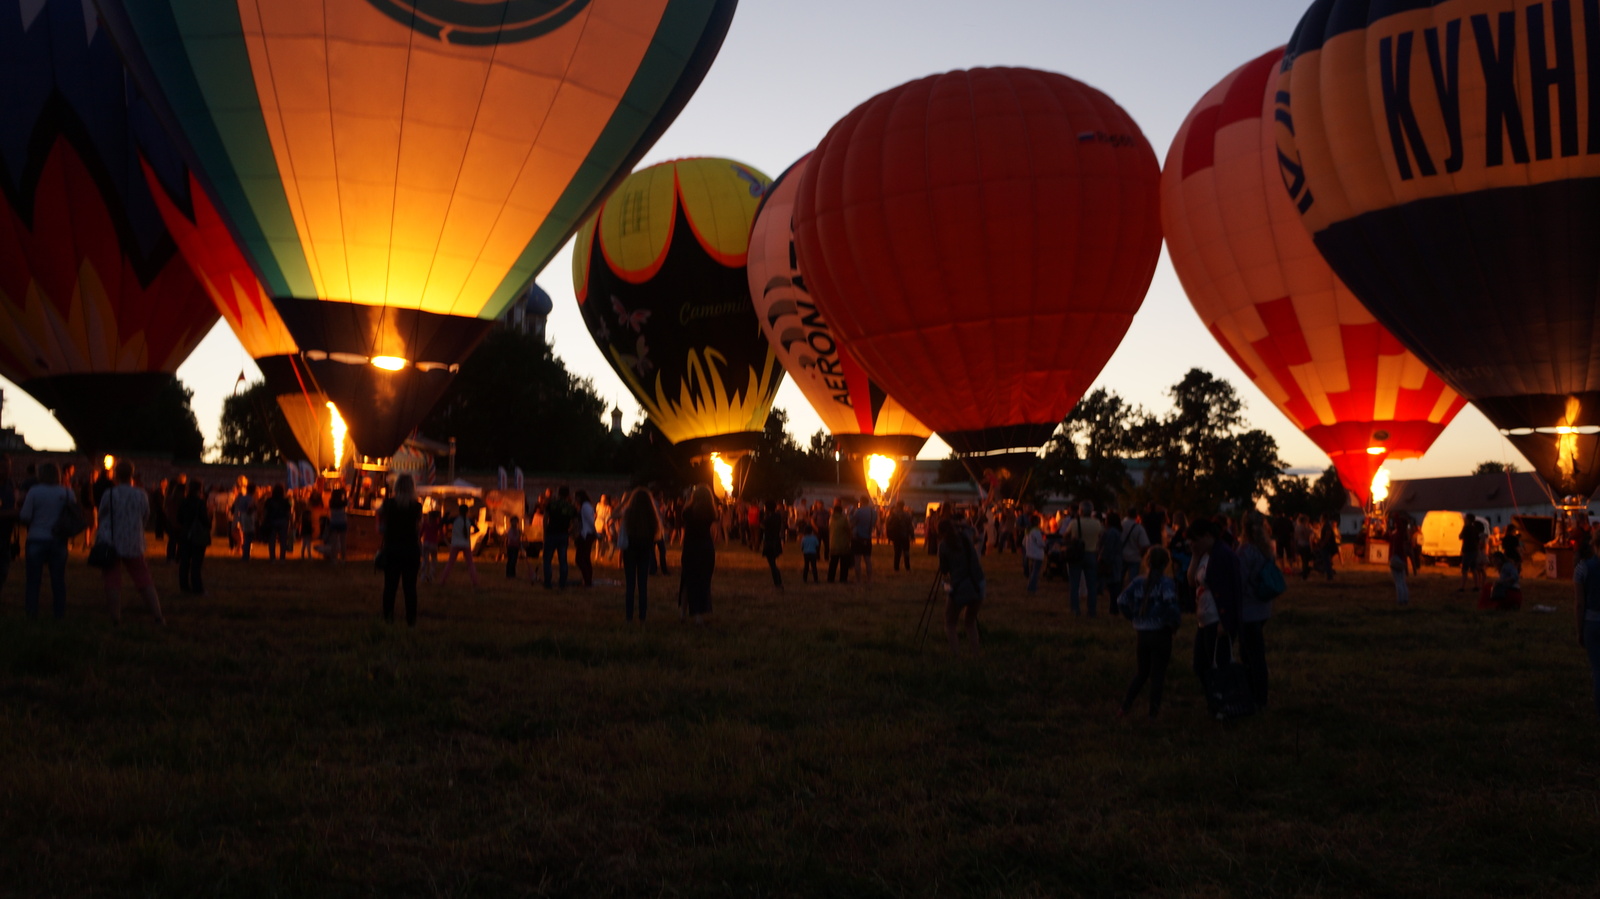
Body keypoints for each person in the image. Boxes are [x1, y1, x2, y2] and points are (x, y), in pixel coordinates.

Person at [96, 461, 164, 625]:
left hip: (111, 541)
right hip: (133, 541)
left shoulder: (110, 494)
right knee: (143, 579)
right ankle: (158, 616)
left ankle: (115, 617)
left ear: (116, 475)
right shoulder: (141, 495)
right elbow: (145, 515)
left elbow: (102, 515)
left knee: (112, 580)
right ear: (132, 475)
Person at [1117, 546, 1181, 718]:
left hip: (1142, 634)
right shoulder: (1166, 584)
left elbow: (1121, 600)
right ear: (1167, 563)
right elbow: (1170, 605)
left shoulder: (1138, 582)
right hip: (1161, 633)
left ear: (1147, 562)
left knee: (1142, 672)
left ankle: (1125, 706)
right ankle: (1153, 713)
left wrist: (1133, 617)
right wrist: (1173, 623)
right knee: (1158, 674)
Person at [1187, 519, 1239, 690]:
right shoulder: (1205, 554)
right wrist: (1195, 555)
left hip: (1216, 618)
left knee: (1217, 664)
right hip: (1204, 618)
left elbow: (1231, 589)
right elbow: (1192, 581)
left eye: (1196, 539)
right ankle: (1214, 697)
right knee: (1201, 664)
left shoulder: (1222, 555)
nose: (1192, 543)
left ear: (1208, 536)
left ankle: (1224, 699)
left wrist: (1226, 621)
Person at [18, 462, 73, 619]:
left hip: (36, 537)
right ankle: (59, 613)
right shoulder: (67, 493)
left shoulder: (35, 492)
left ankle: (31, 612)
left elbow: (25, 516)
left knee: (33, 580)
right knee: (58, 579)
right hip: (58, 539)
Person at [1236, 512, 1276, 709]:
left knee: (1251, 655)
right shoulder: (1267, 549)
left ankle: (1257, 696)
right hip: (1263, 608)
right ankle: (1257, 693)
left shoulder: (1245, 551)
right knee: (1255, 652)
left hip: (1248, 609)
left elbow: (1239, 582)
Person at [376, 475, 424, 625]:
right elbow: (418, 528)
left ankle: (388, 619)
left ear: (396, 487)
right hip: (411, 550)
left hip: (392, 550)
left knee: (390, 587)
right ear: (412, 488)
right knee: (410, 588)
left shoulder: (388, 504)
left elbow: (381, 529)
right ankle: (411, 621)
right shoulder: (417, 506)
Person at [937, 518, 984, 657]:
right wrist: (961, 524)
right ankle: (976, 653)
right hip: (978, 583)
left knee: (950, 622)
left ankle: (956, 655)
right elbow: (974, 532)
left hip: (960, 585)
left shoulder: (944, 545)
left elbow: (944, 570)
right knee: (970, 622)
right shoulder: (965, 536)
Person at [616, 488, 661, 621]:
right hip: (645, 551)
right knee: (643, 585)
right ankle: (642, 615)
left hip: (630, 550)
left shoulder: (628, 513)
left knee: (630, 585)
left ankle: (629, 615)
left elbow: (619, 523)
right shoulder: (651, 515)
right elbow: (655, 535)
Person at [679, 486, 717, 622]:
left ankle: (685, 612)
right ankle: (699, 613)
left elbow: (684, 514)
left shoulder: (689, 512)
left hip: (691, 548)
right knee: (703, 582)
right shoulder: (710, 512)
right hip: (706, 548)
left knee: (688, 581)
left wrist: (689, 498)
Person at [1062, 502, 1103, 617]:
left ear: (1080, 511)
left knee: (1074, 584)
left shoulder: (1074, 523)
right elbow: (1101, 536)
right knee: (1091, 585)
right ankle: (1091, 611)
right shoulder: (1097, 523)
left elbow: (1065, 535)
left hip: (1076, 554)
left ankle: (1075, 609)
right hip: (1091, 554)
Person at [1575, 534, 1600, 718]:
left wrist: (1579, 630)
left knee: (1598, 670)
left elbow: (1579, 604)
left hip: (1592, 622)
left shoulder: (1582, 568)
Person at [176, 480, 208, 595]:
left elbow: (179, 517)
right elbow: (205, 520)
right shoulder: (200, 503)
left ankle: (184, 586)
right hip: (197, 536)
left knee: (184, 562)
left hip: (185, 534)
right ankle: (197, 587)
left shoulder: (184, 502)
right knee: (196, 564)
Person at [438, 501, 480, 589]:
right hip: (466, 544)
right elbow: (477, 529)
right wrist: (470, 534)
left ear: (459, 511)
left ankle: (442, 581)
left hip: (455, 543)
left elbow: (442, 522)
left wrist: (446, 514)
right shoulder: (469, 520)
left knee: (450, 563)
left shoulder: (455, 519)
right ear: (467, 511)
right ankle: (475, 582)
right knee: (470, 564)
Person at [542, 486, 575, 589]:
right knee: (563, 560)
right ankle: (562, 583)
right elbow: (574, 523)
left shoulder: (552, 504)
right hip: (563, 535)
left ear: (558, 493)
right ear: (568, 495)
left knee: (547, 559)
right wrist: (569, 532)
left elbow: (545, 518)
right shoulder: (570, 506)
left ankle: (548, 583)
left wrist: (545, 531)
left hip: (551, 533)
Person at [1386, 513, 1413, 606]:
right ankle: (1405, 599)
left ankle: (1401, 600)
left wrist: (1395, 515)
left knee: (1398, 582)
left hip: (1396, 558)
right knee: (1402, 581)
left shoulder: (1400, 533)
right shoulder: (1401, 534)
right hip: (1401, 559)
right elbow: (1388, 536)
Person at [1099, 512, 1124, 609]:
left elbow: (1108, 547)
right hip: (1116, 559)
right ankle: (1114, 606)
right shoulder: (1117, 532)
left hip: (1111, 561)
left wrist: (1103, 558)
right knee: (1115, 584)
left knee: (1113, 585)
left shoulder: (1111, 533)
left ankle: (1114, 607)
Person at [1120, 511, 1151, 591]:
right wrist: (1141, 554)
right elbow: (1145, 544)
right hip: (1135, 557)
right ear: (1136, 516)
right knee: (1133, 582)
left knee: (1119, 579)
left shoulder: (1121, 525)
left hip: (1122, 556)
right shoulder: (1138, 528)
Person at [850, 496, 877, 585]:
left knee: (857, 560)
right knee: (868, 560)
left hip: (858, 538)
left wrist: (850, 514)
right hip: (868, 538)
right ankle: (870, 579)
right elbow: (874, 524)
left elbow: (852, 523)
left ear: (861, 502)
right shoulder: (873, 512)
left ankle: (858, 580)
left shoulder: (858, 511)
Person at [0, 455, 17, 595]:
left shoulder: (9, 484)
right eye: (4, 467)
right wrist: (13, 513)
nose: (7, 470)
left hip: (5, 536)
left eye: (9, 467)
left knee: (3, 570)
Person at [263, 484, 292, 561]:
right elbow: (289, 512)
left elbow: (265, 512)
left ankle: (272, 558)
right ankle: (282, 558)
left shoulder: (269, 501)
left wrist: (264, 520)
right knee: (283, 540)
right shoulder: (286, 501)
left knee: (272, 540)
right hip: (283, 521)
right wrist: (290, 521)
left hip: (272, 521)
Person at [574, 489, 596, 587]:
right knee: (585, 558)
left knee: (581, 558)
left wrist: (595, 532)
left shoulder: (585, 507)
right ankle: (587, 579)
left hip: (586, 534)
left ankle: (587, 579)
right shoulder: (586, 506)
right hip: (587, 534)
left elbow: (591, 521)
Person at [761, 499, 785, 589]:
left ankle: (778, 583)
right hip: (776, 541)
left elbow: (763, 525)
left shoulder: (769, 518)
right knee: (773, 563)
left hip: (770, 542)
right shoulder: (777, 516)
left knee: (772, 564)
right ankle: (778, 582)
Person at [828, 500, 853, 584]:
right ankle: (843, 578)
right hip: (843, 544)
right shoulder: (844, 519)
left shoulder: (831, 519)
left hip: (833, 544)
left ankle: (830, 578)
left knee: (833, 563)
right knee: (844, 564)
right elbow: (848, 530)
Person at [1459, 513, 1485, 593]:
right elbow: (1478, 539)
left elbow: (1460, 536)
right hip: (1474, 550)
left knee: (1465, 570)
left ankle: (1462, 587)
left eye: (1466, 518)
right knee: (1473, 568)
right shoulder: (1475, 528)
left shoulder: (1466, 527)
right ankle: (1476, 586)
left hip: (1467, 550)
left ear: (1468, 519)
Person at [232, 478, 258, 560]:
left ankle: (244, 554)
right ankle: (246, 555)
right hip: (248, 517)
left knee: (245, 535)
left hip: (242, 517)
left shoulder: (242, 498)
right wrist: (252, 511)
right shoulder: (251, 498)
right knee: (249, 537)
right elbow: (250, 507)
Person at [886, 500, 913, 572]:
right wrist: (912, 535)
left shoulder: (893, 515)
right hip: (905, 536)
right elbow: (910, 526)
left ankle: (896, 567)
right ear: (903, 506)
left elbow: (888, 524)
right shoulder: (907, 515)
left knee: (897, 552)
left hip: (896, 536)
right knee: (906, 552)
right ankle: (907, 567)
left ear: (897, 506)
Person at [1022, 513, 1046, 594]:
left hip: (1030, 553)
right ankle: (1031, 588)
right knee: (1035, 572)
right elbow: (1040, 543)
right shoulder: (1036, 531)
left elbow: (1024, 543)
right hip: (1037, 554)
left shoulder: (1028, 531)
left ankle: (1031, 585)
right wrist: (1045, 543)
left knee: (1032, 571)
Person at [326, 487, 349, 561]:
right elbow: (348, 503)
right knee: (343, 542)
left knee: (334, 542)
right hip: (342, 522)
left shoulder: (331, 502)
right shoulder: (342, 502)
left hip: (333, 522)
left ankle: (334, 558)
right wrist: (345, 495)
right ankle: (343, 558)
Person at [419, 510, 441, 584]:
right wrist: (448, 544)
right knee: (433, 561)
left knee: (425, 561)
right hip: (434, 544)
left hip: (426, 543)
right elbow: (442, 535)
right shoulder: (437, 524)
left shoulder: (425, 523)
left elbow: (421, 533)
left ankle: (423, 576)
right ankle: (431, 576)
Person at [504, 514, 523, 579]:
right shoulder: (510, 531)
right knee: (510, 560)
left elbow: (518, 539)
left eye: (516, 522)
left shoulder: (517, 530)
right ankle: (509, 573)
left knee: (514, 560)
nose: (515, 523)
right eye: (513, 522)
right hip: (511, 547)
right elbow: (512, 538)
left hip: (516, 547)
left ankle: (513, 573)